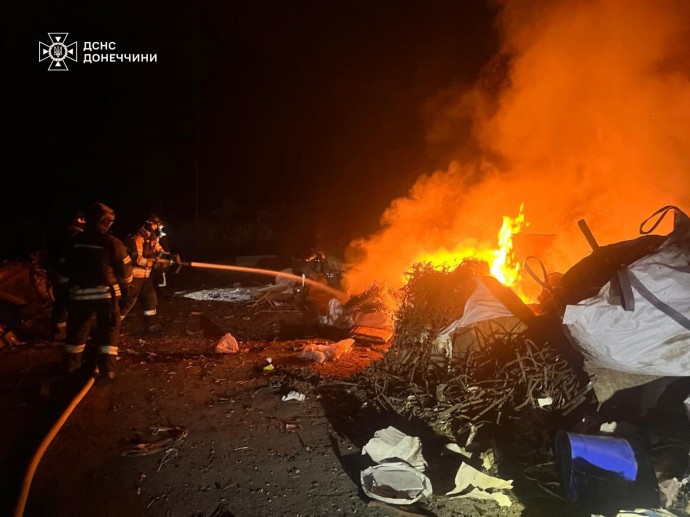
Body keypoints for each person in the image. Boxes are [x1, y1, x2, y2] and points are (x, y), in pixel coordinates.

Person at [62, 202, 132, 380]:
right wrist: (126, 289)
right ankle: (108, 370)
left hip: (79, 296)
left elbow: (63, 272)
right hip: (105, 295)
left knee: (77, 331)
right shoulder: (112, 242)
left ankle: (71, 367)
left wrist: (66, 293)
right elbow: (125, 271)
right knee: (109, 330)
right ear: (105, 221)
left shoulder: (73, 243)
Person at [120, 212, 169, 333]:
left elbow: (159, 250)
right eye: (155, 224)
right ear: (148, 223)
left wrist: (168, 257)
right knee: (127, 303)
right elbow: (137, 259)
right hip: (135, 276)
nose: (156, 227)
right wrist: (154, 264)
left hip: (145, 275)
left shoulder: (151, 236)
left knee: (150, 299)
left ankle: (151, 325)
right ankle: (112, 325)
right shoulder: (137, 237)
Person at [45, 210, 86, 342]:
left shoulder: (59, 236)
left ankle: (57, 334)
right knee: (74, 307)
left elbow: (51, 257)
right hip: (72, 279)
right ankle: (73, 335)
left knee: (60, 306)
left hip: (59, 277)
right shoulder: (78, 238)